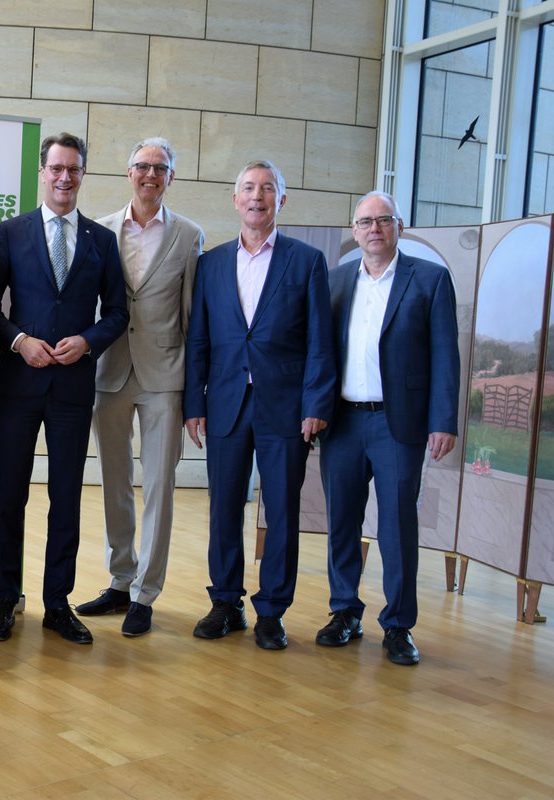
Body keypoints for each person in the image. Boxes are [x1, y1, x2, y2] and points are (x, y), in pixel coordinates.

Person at [183, 159, 335, 651]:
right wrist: (194, 403)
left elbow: (319, 341)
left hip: (286, 409)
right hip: (225, 403)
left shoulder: (306, 261)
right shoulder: (211, 263)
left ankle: (272, 610)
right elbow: (199, 340)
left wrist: (316, 404)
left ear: (281, 201)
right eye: (248, 188)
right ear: (235, 199)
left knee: (282, 511)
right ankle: (226, 602)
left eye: (267, 189)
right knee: (224, 507)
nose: (256, 196)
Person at [0, 133, 129, 645]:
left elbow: (117, 313)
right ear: (42, 173)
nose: (65, 177)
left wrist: (88, 342)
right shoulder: (10, 233)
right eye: (56, 168)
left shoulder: (100, 240)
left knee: (65, 497)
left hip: (72, 388)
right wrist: (19, 341)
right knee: (10, 496)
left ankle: (56, 603)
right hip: (21, 383)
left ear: (82, 174)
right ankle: (5, 599)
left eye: (74, 169)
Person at [316, 191, 459, 666]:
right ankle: (345, 613)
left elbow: (445, 356)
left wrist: (443, 420)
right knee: (341, 523)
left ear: (399, 226)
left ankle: (398, 625)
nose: (374, 229)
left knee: (398, 525)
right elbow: (319, 355)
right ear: (354, 231)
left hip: (399, 425)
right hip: (343, 422)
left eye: (383, 220)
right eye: (365, 222)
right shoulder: (335, 281)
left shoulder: (430, 280)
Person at [78, 137, 204, 637]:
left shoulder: (190, 235)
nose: (151, 174)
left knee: (158, 486)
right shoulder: (101, 230)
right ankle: (119, 578)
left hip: (164, 377)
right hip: (110, 370)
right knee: (113, 483)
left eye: (161, 167)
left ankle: (145, 593)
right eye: (142, 166)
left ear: (171, 177)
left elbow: (194, 316)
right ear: (128, 173)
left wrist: (197, 392)